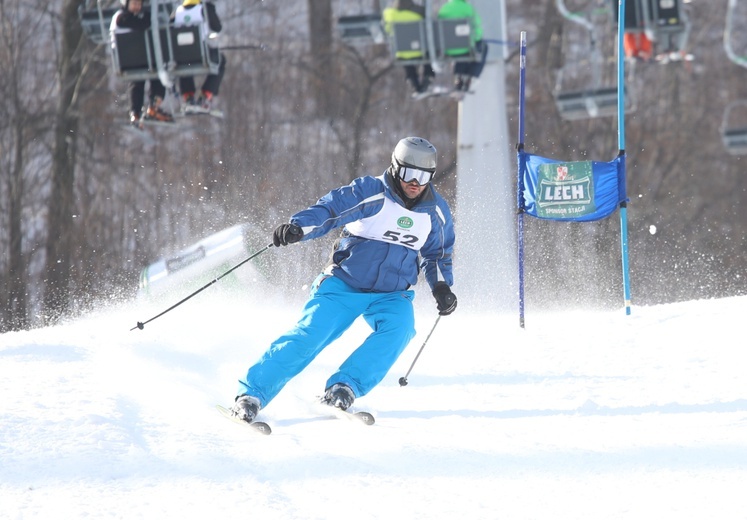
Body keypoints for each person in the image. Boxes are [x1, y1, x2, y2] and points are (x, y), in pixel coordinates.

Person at [231, 136, 457, 423]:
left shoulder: (435, 212)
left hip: (392, 293)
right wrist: (299, 228)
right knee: (311, 335)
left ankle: (344, 386)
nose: (415, 183)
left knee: (400, 329)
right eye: (409, 173)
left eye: (424, 176)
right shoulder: (372, 192)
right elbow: (331, 210)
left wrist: (441, 287)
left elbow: (437, 254)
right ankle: (252, 395)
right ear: (396, 167)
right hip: (345, 284)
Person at [110, 0, 174, 127]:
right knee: (148, 74)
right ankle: (141, 111)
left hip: (136, 59)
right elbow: (142, 24)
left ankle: (147, 108)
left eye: (139, 4)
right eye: (134, 4)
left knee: (147, 76)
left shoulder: (132, 17)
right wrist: (148, 16)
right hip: (129, 58)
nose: (137, 7)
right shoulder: (121, 17)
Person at [171, 0, 226, 112]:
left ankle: (188, 96)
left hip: (181, 57)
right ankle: (206, 95)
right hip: (200, 55)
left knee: (184, 63)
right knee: (221, 60)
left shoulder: (176, 11)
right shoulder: (205, 8)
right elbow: (217, 27)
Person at [382, 0, 436, 97]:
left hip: (402, 51)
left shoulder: (389, 13)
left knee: (405, 58)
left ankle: (413, 83)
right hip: (419, 50)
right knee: (427, 53)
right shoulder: (419, 11)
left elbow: (387, 30)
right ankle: (428, 76)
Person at [437, 0, 487, 93]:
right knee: (482, 48)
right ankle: (472, 76)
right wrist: (478, 39)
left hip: (448, 49)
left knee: (460, 51)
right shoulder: (468, 8)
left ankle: (458, 77)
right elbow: (476, 26)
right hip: (465, 48)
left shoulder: (443, 9)